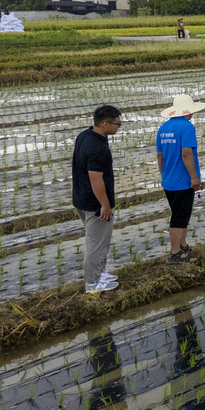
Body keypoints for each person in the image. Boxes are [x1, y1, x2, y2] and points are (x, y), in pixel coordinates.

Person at [73, 105, 122, 293]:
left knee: (99, 242)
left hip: (81, 199)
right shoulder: (96, 148)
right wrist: (105, 205)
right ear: (104, 124)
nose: (119, 126)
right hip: (95, 204)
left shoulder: (85, 135)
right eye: (117, 124)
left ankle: (100, 273)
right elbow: (96, 179)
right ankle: (93, 284)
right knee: (96, 245)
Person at [156, 94, 205, 264]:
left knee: (180, 214)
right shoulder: (187, 127)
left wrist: (164, 174)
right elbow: (186, 153)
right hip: (183, 181)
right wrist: (194, 177)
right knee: (179, 216)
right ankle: (176, 253)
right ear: (189, 111)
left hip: (168, 180)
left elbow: (160, 155)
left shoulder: (163, 128)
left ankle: (183, 244)